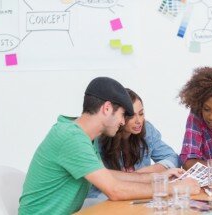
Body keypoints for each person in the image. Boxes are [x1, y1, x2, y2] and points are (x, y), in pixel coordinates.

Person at [19, 77, 200, 215]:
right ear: (106, 108)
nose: (123, 122)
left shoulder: (82, 135)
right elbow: (114, 190)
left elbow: (108, 176)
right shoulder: (71, 138)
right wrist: (176, 188)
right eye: (123, 115)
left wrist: (157, 177)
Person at [86, 88, 180, 200]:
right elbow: (99, 180)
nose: (138, 121)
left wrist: (141, 174)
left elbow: (172, 158)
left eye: (141, 114)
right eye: (131, 116)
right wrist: (142, 178)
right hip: (105, 198)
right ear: (118, 116)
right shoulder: (99, 138)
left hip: (139, 195)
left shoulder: (147, 130)